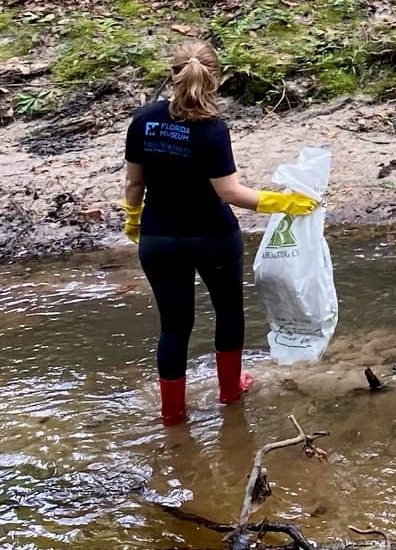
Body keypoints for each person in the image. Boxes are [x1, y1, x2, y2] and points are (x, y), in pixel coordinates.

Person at [120, 41, 319, 426]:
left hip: (159, 239)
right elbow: (229, 193)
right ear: (217, 81)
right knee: (229, 313)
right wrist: (285, 202)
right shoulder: (212, 130)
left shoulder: (143, 120)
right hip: (213, 237)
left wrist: (133, 219)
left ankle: (173, 414)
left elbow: (134, 185)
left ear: (171, 74)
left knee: (174, 327)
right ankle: (230, 390)